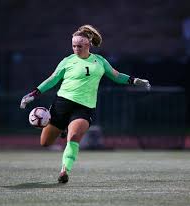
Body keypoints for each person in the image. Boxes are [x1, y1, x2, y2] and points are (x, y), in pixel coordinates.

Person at [20, 25, 151, 183]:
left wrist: (135, 80)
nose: (76, 49)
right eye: (73, 45)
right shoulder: (67, 61)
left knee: (74, 136)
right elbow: (52, 79)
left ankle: (64, 171)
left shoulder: (100, 61)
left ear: (88, 44)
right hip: (61, 104)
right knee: (45, 142)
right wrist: (34, 93)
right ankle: (64, 127)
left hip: (84, 107)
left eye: (79, 46)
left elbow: (116, 76)